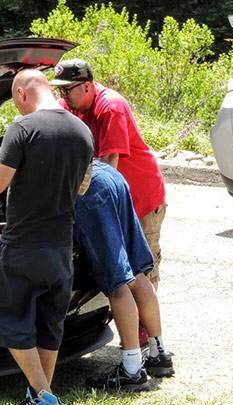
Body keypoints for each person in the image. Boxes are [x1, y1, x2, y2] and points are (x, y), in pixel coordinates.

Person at [0, 70, 93, 405]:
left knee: (5, 318)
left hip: (23, 243)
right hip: (61, 244)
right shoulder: (82, 130)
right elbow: (82, 186)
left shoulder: (23, 128)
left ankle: (44, 394)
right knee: (49, 323)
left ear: (21, 93)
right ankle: (40, 396)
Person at [52, 58, 169, 360]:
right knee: (131, 273)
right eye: (60, 91)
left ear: (87, 85)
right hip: (117, 200)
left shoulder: (111, 106)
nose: (63, 97)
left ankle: (146, 342)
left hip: (139, 199)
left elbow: (108, 167)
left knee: (141, 270)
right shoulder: (75, 106)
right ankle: (147, 344)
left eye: (68, 90)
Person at [74, 160, 174, 391]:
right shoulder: (61, 122)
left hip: (86, 184)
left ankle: (131, 370)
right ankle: (158, 354)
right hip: (107, 174)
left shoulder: (23, 129)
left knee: (117, 280)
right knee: (136, 272)